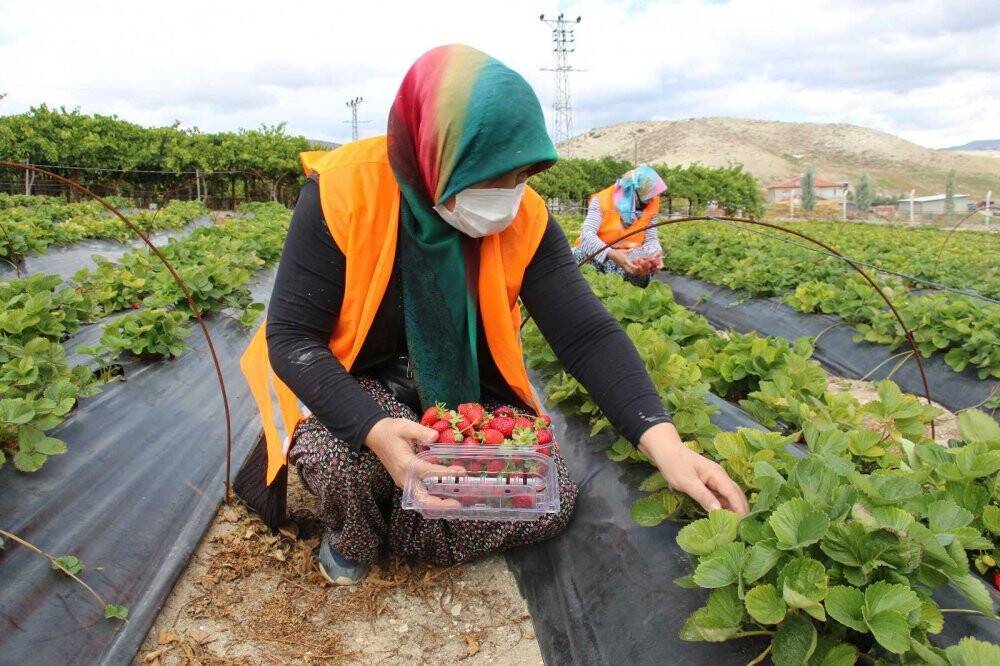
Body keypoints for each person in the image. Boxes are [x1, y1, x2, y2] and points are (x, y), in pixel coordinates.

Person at [239, 45, 747, 586]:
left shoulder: (525, 217)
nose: (507, 196)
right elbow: (293, 338)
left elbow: (585, 333)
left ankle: (411, 529)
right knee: (342, 463)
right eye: (488, 177)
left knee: (549, 493)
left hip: (465, 395)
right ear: (436, 155)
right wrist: (374, 428)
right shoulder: (344, 192)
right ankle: (354, 540)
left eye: (522, 174)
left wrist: (664, 442)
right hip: (358, 379)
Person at [572, 165, 667, 287]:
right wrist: (611, 254)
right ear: (635, 191)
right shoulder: (602, 200)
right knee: (575, 256)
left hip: (629, 256)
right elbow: (586, 236)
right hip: (599, 253)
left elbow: (651, 239)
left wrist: (655, 254)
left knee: (640, 269)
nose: (653, 198)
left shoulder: (651, 204)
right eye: (650, 195)